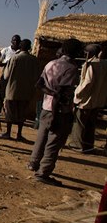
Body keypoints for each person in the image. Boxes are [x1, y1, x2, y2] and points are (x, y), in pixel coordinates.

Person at [27, 39, 83, 186]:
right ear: (77, 53)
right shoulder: (70, 68)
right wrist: (57, 111)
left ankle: (33, 162)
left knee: (41, 136)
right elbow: (62, 94)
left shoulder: (51, 64)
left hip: (46, 107)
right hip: (58, 110)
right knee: (53, 142)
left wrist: (51, 92)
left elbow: (39, 84)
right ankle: (43, 173)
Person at [68, 44, 107, 153]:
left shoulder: (90, 65)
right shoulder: (104, 64)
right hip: (98, 100)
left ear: (89, 53)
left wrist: (77, 94)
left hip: (86, 100)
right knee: (91, 124)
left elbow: (87, 82)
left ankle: (77, 145)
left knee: (79, 124)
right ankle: (88, 145)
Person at [0, 39, 40, 141]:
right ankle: (19, 134)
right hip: (26, 91)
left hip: (12, 90)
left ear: (20, 47)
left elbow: (6, 75)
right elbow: (36, 77)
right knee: (22, 113)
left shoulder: (15, 58)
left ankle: (8, 133)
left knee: (10, 112)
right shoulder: (34, 60)